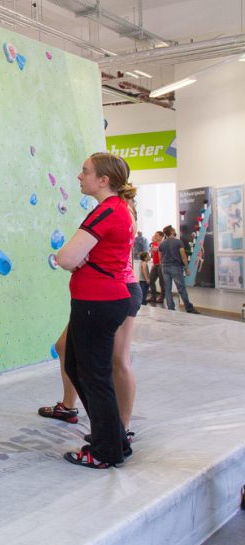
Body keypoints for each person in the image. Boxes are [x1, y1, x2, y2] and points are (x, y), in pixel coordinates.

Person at [55, 152, 136, 469]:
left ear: (103, 180)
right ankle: (113, 437)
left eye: (85, 171)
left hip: (98, 303)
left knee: (94, 376)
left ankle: (106, 450)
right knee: (77, 367)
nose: (79, 176)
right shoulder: (118, 210)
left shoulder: (107, 212)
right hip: (97, 301)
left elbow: (65, 258)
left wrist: (75, 257)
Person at [159, 225, 200, 313]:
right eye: (173, 230)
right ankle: (189, 308)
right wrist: (187, 268)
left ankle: (171, 308)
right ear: (172, 231)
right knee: (181, 288)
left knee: (167, 288)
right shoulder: (178, 242)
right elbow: (183, 256)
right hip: (175, 267)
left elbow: (160, 258)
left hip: (165, 267)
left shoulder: (162, 244)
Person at [146, 231, 165, 305]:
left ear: (161, 236)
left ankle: (162, 297)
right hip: (155, 264)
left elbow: (156, 249)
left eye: (157, 235)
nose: (155, 236)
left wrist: (156, 246)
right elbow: (152, 250)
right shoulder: (154, 243)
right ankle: (153, 296)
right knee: (151, 280)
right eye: (155, 235)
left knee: (162, 282)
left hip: (161, 264)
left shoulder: (163, 243)